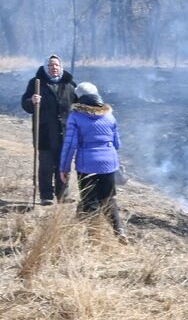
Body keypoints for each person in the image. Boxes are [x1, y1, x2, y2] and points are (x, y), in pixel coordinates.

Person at [59, 82, 126, 241]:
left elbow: (70, 145)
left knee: (90, 200)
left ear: (78, 97)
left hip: (87, 163)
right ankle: (119, 231)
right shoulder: (109, 115)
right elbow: (118, 144)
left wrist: (64, 167)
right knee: (108, 198)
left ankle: (94, 237)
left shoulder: (75, 116)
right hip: (109, 162)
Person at [20, 55, 76, 204]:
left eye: (56, 65)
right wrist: (31, 101)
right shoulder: (36, 83)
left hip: (64, 133)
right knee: (46, 166)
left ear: (61, 67)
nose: (54, 68)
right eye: (51, 65)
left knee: (63, 166)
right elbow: (25, 105)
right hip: (44, 132)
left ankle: (62, 194)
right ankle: (46, 196)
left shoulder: (69, 84)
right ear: (46, 67)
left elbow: (77, 105)